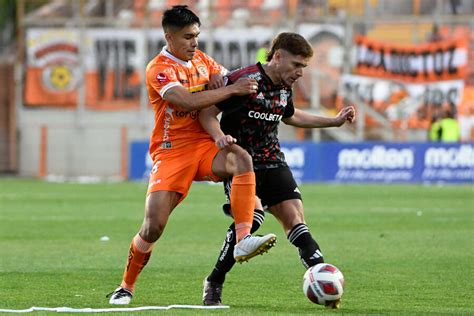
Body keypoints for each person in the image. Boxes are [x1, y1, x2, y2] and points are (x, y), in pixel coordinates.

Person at [107, 5, 277, 305]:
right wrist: (228, 90)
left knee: (241, 159)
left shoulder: (202, 60)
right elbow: (184, 99)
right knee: (153, 226)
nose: (194, 43)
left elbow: (229, 80)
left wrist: (229, 85)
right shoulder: (158, 68)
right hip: (171, 151)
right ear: (168, 37)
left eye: (196, 36)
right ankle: (126, 286)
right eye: (187, 37)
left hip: (205, 144)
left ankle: (242, 239)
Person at [198, 32, 355, 308]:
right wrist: (218, 137)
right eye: (297, 65)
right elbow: (206, 113)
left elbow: (291, 116)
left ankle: (322, 277)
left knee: (296, 219)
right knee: (254, 218)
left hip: (274, 161)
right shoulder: (243, 80)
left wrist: (333, 122)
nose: (300, 73)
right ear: (278, 56)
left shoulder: (284, 87)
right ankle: (214, 280)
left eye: (304, 67)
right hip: (241, 164)